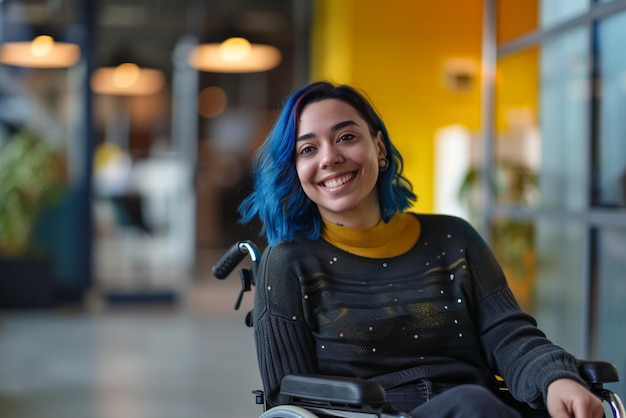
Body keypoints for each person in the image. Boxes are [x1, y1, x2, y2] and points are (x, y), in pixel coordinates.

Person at [238, 81, 604, 418]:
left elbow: (508, 335)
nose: (329, 157)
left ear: (378, 148)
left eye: (346, 136)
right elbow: (288, 396)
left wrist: (556, 379)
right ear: (297, 169)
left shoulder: (453, 238)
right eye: (308, 149)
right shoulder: (287, 263)